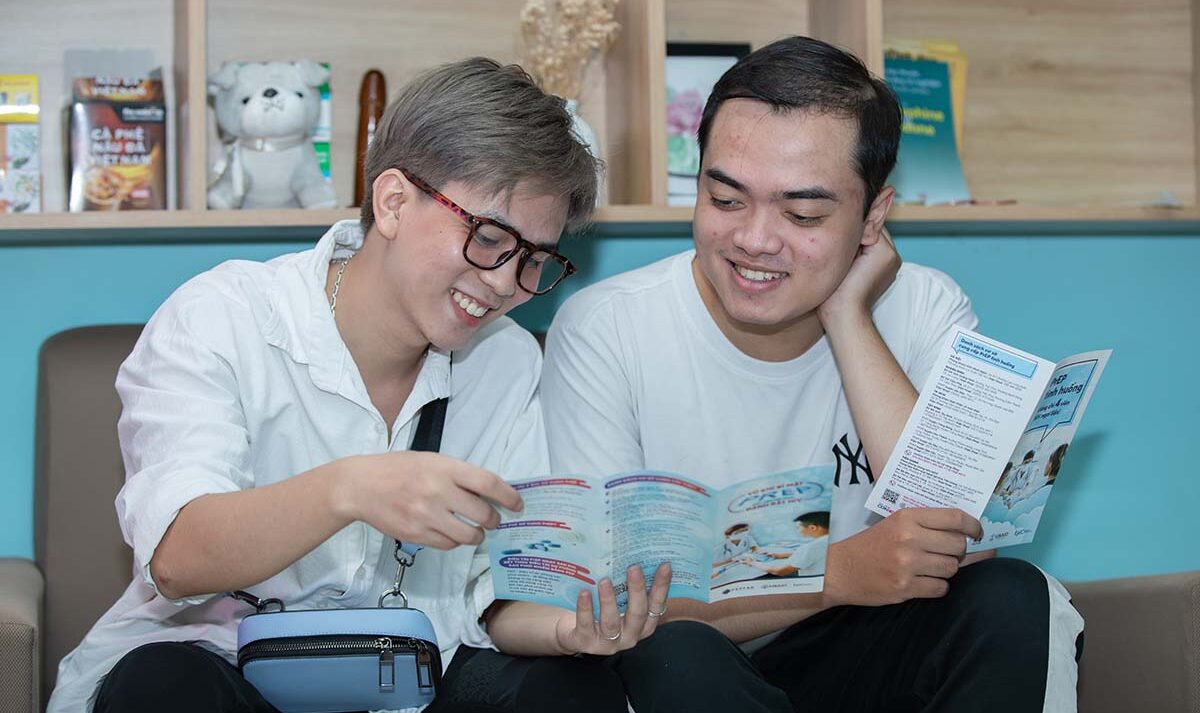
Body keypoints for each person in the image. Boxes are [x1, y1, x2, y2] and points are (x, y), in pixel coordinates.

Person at [48, 58, 669, 713]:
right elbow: (178, 556)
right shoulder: (222, 317)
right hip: (221, 664)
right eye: (489, 238)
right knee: (166, 689)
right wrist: (350, 488)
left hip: (414, 678)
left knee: (571, 686)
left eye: (534, 261)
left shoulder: (506, 361)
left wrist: (569, 629)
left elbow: (495, 593)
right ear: (393, 200)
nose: (503, 284)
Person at [541, 36, 1083, 712]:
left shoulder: (924, 307)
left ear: (872, 217)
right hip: (713, 666)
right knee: (671, 651)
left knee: (1011, 597)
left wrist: (849, 314)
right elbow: (616, 604)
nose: (755, 240)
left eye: (803, 214)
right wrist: (838, 571)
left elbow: (965, 546)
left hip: (864, 652)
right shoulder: (607, 328)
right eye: (726, 198)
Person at [741, 512, 831, 577]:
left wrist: (752, 563)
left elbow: (779, 572)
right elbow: (813, 554)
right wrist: (780, 555)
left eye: (798, 527)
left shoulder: (811, 547)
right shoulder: (829, 541)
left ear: (812, 527)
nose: (797, 530)